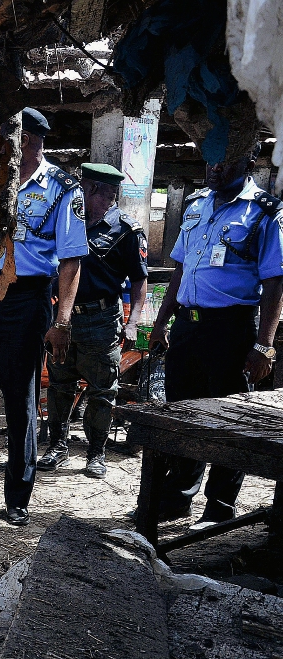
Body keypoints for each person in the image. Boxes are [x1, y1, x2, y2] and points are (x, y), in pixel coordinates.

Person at [0, 108, 88, 526]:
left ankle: (17, 498)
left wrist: (61, 323)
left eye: (12, 135)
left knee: (19, 401)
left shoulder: (62, 188)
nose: (5, 141)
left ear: (29, 140)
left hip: (25, 301)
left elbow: (71, 262)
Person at [137, 144, 283, 531]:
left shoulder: (265, 212)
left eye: (226, 159)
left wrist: (264, 345)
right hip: (187, 325)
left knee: (227, 419)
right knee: (181, 412)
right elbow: (179, 272)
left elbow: (274, 283)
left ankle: (219, 507)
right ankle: (179, 498)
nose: (215, 167)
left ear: (249, 163)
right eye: (211, 158)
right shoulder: (197, 203)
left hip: (230, 329)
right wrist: (162, 324)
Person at [38, 162, 148, 478]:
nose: (76, 194)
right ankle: (57, 447)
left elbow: (139, 282)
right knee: (60, 382)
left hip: (101, 320)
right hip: (63, 319)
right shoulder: (66, 221)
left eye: (80, 188)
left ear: (94, 189)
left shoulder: (126, 230)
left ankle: (95, 454)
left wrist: (133, 322)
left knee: (102, 388)